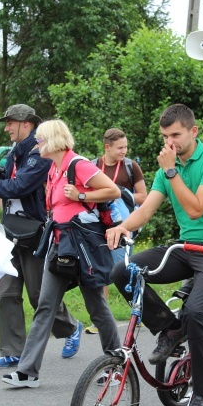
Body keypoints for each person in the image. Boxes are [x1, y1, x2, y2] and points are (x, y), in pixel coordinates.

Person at [108, 104, 203, 406]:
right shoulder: (165, 170)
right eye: (166, 136)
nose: (171, 142)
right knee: (122, 271)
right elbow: (145, 210)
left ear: (193, 132)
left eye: (176, 135)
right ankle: (170, 329)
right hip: (186, 247)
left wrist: (172, 171)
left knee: (196, 309)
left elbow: (196, 209)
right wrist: (121, 226)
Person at [2, 119, 121, 388]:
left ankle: (115, 366)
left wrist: (79, 195)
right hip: (59, 244)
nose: (37, 144)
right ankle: (27, 372)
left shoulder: (77, 164)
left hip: (82, 246)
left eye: (41, 139)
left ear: (54, 140)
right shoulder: (54, 169)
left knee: (97, 307)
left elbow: (112, 190)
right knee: (45, 305)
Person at [0, 104, 80, 369]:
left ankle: (71, 328)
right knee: (6, 292)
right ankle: (13, 351)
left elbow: (20, 186)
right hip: (11, 231)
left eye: (10, 123)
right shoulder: (17, 154)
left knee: (37, 294)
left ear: (25, 124)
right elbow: (11, 178)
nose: (6, 128)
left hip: (34, 232)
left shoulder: (39, 153)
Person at [85, 127, 148, 335]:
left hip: (123, 226)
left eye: (126, 146)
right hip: (98, 226)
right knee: (100, 271)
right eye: (120, 147)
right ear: (107, 147)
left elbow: (144, 197)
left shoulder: (131, 166)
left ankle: (137, 311)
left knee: (124, 269)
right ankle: (101, 319)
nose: (124, 151)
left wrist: (120, 193)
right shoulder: (93, 166)